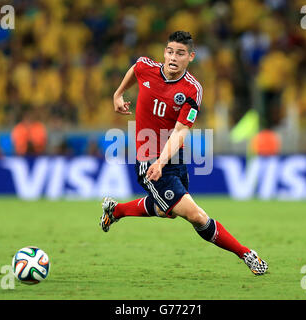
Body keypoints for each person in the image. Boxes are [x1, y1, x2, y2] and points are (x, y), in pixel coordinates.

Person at [100, 31, 268, 275]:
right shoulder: (147, 67)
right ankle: (246, 254)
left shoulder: (192, 89)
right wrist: (117, 94)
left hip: (173, 158)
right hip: (149, 159)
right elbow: (135, 68)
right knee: (196, 216)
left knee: (164, 210)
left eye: (180, 53)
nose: (173, 57)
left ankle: (115, 211)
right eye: (170, 51)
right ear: (164, 53)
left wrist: (163, 160)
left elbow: (180, 132)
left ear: (191, 57)